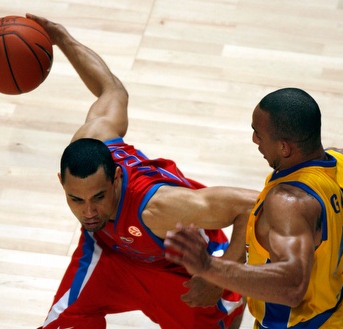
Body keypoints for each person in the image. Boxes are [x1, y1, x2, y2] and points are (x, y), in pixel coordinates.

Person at [27, 14, 259, 329]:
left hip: (176, 266)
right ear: (61, 183)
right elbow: (111, 90)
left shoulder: (160, 207)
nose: (88, 211)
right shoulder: (91, 136)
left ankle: (230, 300)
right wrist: (62, 38)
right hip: (110, 252)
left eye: (98, 196)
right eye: (76, 200)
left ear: (117, 178)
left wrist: (222, 274)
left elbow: (253, 205)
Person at [164, 87, 343, 328]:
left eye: (258, 134)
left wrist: (210, 267)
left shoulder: (288, 202)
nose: (255, 140)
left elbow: (292, 286)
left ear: (284, 148)